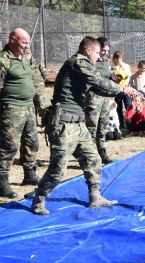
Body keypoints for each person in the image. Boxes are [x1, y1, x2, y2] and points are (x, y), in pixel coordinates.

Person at [30, 36, 135, 215]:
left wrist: (121, 92)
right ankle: (38, 200)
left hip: (78, 124)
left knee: (93, 159)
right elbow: (97, 80)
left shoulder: (83, 67)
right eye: (96, 53)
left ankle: (95, 197)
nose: (97, 57)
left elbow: (98, 88)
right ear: (88, 50)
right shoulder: (77, 62)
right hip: (63, 124)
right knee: (58, 169)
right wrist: (123, 89)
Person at [0, 28, 40, 198]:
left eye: (28, 42)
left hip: (29, 107)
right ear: (13, 39)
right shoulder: (3, 60)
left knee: (31, 143)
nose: (27, 45)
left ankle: (29, 175)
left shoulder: (25, 58)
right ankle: (2, 182)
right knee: (9, 147)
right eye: (24, 42)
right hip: (11, 109)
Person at [85, 37, 115, 164]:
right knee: (91, 128)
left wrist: (112, 76)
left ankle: (102, 153)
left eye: (107, 51)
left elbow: (106, 75)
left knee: (102, 127)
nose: (105, 53)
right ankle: (88, 157)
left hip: (104, 99)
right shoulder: (91, 61)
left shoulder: (104, 62)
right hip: (93, 98)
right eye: (103, 50)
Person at [24, 48, 47, 119]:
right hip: (28, 90)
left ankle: (44, 123)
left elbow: (44, 74)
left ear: (31, 54)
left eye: (27, 54)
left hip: (39, 89)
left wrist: (41, 82)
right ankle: (34, 124)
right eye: (24, 55)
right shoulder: (22, 63)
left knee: (41, 106)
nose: (26, 56)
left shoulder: (38, 62)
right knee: (31, 108)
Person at [112, 51, 132, 129]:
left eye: (120, 58)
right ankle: (121, 124)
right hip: (117, 90)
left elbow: (129, 75)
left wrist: (122, 66)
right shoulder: (112, 67)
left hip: (126, 89)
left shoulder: (126, 66)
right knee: (118, 108)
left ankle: (130, 124)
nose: (118, 60)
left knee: (128, 107)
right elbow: (112, 78)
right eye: (117, 58)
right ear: (114, 58)